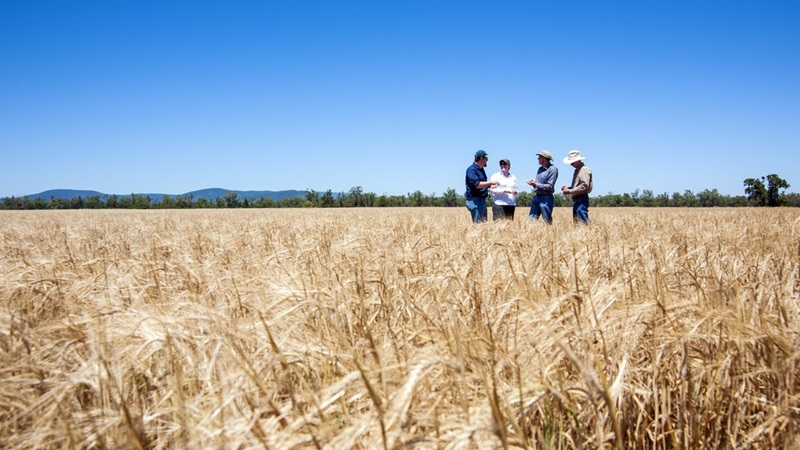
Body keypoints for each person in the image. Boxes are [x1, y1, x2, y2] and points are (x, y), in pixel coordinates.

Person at [465, 150, 499, 223]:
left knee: (483, 225)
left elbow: (482, 184)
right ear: (481, 158)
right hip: (474, 200)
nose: (487, 160)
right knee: (478, 225)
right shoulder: (471, 170)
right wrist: (490, 182)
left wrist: (490, 186)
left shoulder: (481, 169)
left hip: (481, 200)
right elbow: (477, 185)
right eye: (486, 158)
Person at [526, 150, 559, 224]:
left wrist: (536, 184)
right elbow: (539, 183)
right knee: (531, 220)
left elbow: (550, 186)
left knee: (547, 221)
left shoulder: (553, 169)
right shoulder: (540, 169)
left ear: (544, 158)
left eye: (539, 157)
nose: (538, 158)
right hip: (537, 196)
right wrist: (533, 183)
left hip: (546, 198)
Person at [561, 150, 593, 224]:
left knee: (582, 222)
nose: (571, 164)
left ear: (578, 160)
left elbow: (584, 186)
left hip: (581, 198)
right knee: (577, 222)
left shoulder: (584, 169)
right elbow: (579, 185)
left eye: (573, 162)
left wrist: (570, 191)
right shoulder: (578, 170)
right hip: (577, 198)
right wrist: (568, 188)